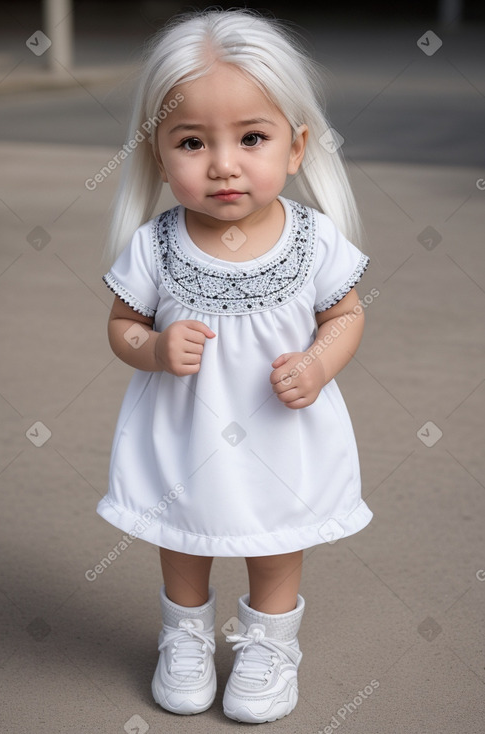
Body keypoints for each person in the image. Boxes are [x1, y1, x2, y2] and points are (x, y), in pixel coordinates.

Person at [96, 6, 373, 724]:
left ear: (294, 147)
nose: (222, 163)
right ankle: (183, 635)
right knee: (183, 536)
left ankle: (268, 645)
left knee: (273, 538)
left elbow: (345, 315)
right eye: (192, 142)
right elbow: (122, 326)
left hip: (279, 432)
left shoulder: (311, 240)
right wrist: (153, 348)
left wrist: (316, 365)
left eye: (251, 137)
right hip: (186, 433)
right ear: (159, 154)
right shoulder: (158, 245)